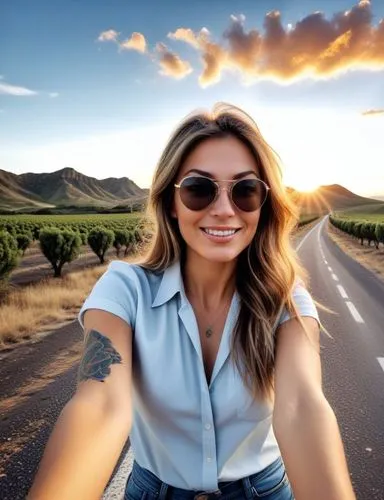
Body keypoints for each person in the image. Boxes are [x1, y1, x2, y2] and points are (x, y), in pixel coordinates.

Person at [27, 103, 356, 500]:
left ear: (264, 203)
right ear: (171, 200)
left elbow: (302, 407)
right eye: (200, 189)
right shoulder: (124, 290)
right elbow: (100, 405)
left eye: (245, 190)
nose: (223, 209)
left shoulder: (285, 301)